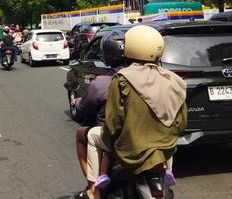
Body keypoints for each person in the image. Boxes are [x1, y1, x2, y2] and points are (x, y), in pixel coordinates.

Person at [96, 25, 187, 199]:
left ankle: (94, 189)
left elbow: (113, 124)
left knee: (91, 138)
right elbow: (181, 124)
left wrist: (108, 143)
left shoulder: (122, 79)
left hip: (131, 151)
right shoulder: (175, 80)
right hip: (165, 150)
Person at [72, 29, 125, 199]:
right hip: (149, 135)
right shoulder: (153, 78)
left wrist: (77, 103)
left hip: (114, 136)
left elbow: (84, 108)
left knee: (81, 135)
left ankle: (93, 189)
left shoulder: (103, 83)